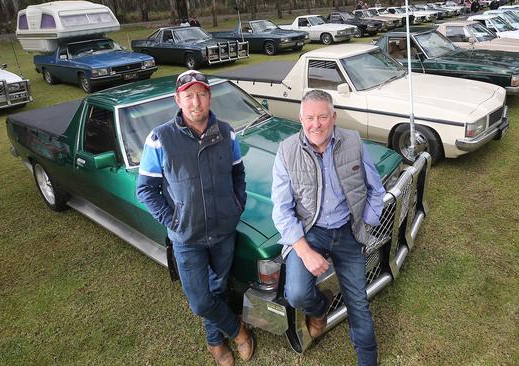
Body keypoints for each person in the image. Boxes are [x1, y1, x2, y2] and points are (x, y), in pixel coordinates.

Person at [136, 70, 254, 366]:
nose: (195, 101)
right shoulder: (159, 139)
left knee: (218, 288)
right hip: (186, 237)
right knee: (200, 300)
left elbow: (238, 173)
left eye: (201, 94)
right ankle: (237, 330)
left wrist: (236, 204)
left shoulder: (226, 132)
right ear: (178, 99)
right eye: (188, 95)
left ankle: (215, 343)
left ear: (209, 97)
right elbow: (146, 188)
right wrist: (173, 220)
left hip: (223, 231)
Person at [271, 90, 386, 366]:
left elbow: (376, 189)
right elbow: (282, 209)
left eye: (323, 116)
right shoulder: (287, 150)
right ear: (301, 119)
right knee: (296, 293)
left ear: (333, 117)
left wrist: (366, 222)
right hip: (311, 232)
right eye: (310, 117)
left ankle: (367, 359)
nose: (316, 124)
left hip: (348, 231)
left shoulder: (353, 141)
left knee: (358, 302)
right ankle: (319, 308)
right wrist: (305, 251)